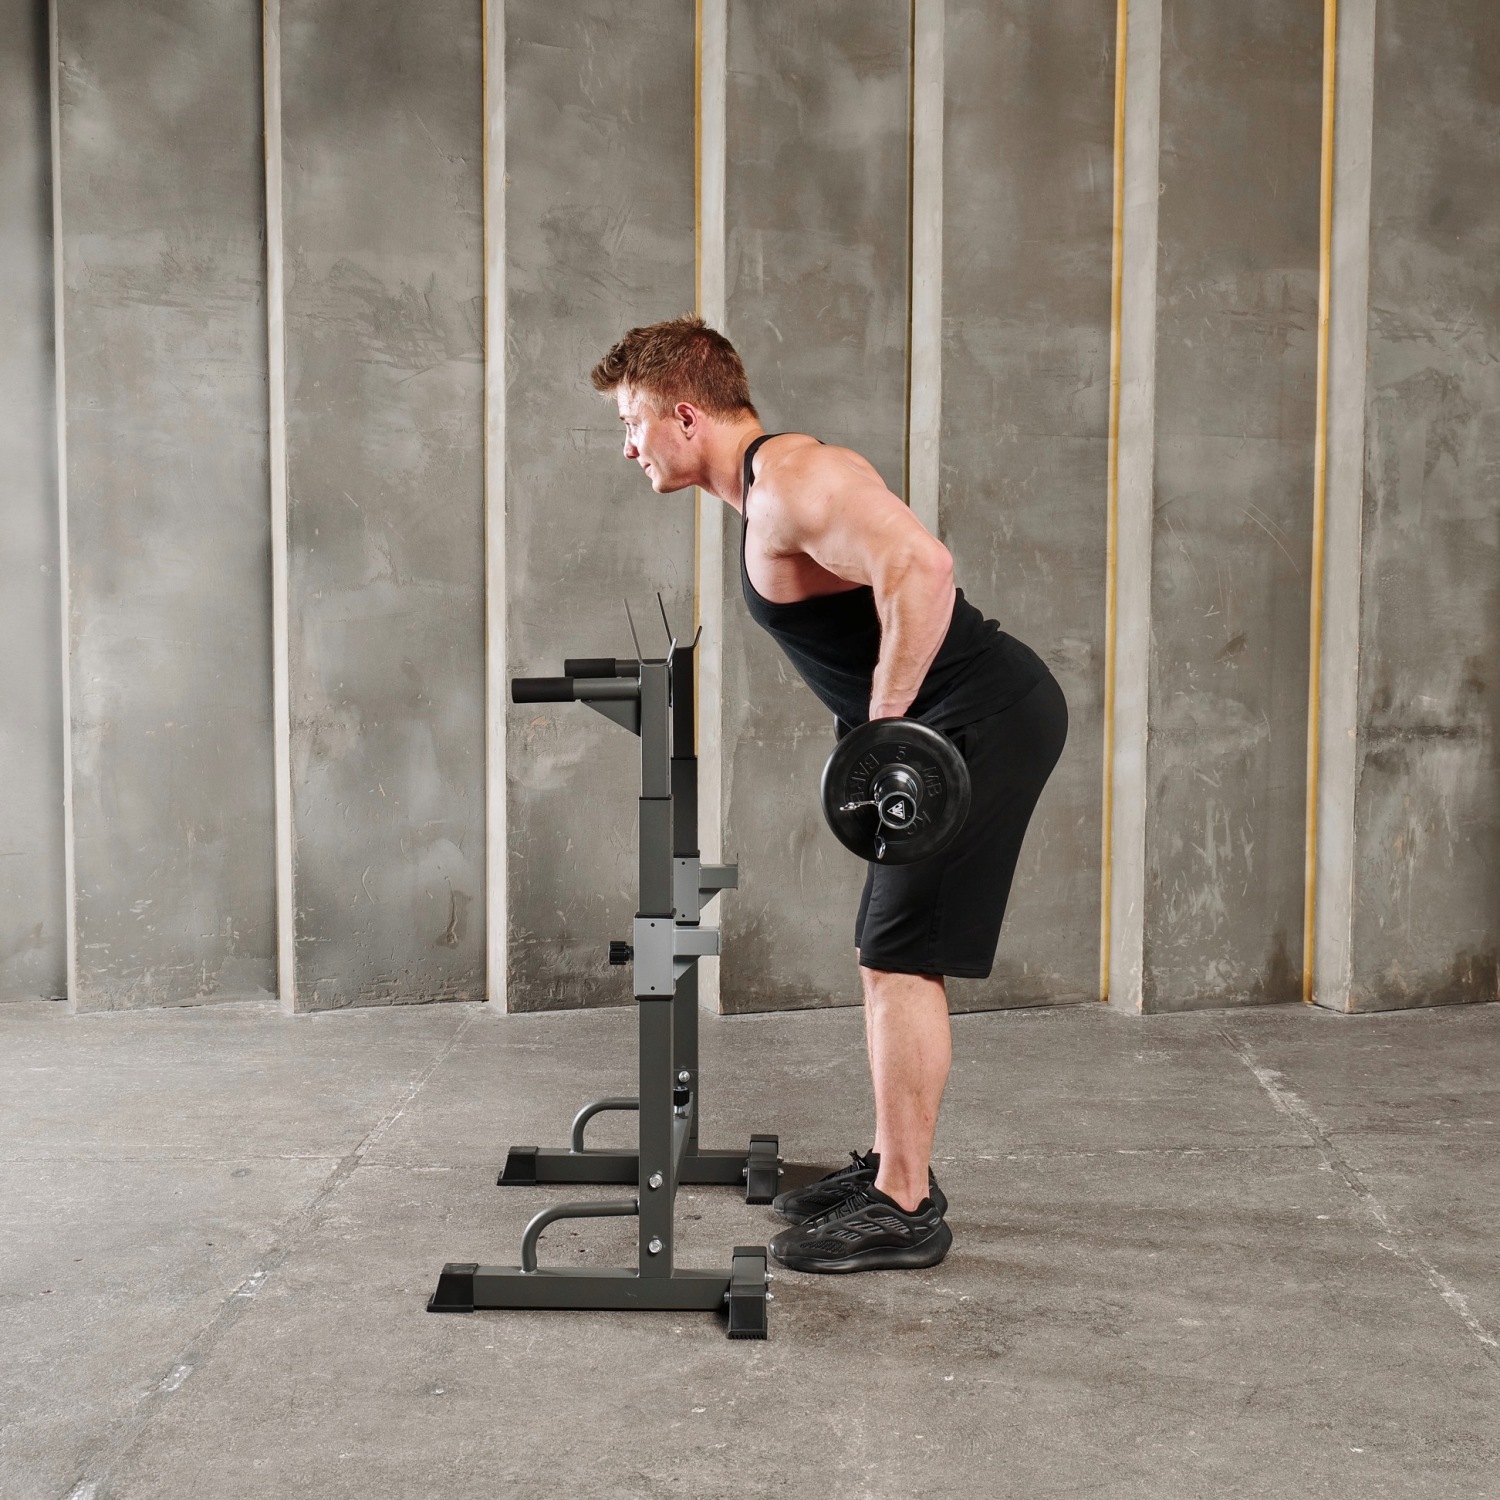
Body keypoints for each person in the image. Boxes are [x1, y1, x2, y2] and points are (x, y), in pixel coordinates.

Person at [590, 315, 1067, 1274]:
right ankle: (895, 1169)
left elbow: (923, 567)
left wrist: (886, 723)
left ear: (686, 416)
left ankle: (905, 1207)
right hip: (948, 730)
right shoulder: (766, 488)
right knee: (884, 950)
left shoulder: (795, 480)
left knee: (900, 954)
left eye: (634, 423)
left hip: (975, 725)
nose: (628, 446)